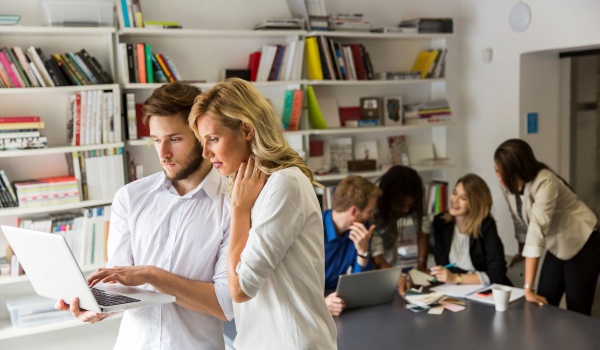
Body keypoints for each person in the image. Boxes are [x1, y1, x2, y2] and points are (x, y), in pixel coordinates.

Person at [56, 82, 234, 349]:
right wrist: (97, 305)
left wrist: (153, 276)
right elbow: (120, 283)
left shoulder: (233, 205)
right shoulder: (130, 197)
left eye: (174, 139)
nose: (163, 153)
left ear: (203, 135)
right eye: (156, 140)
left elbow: (225, 304)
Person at [189, 78, 336, 349]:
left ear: (246, 129)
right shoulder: (248, 188)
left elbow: (240, 289)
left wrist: (239, 210)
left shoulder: (284, 184)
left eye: (213, 139)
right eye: (203, 141)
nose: (206, 152)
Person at [494, 138, 600, 315]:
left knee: (577, 311)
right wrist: (522, 251)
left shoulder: (545, 183)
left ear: (517, 169)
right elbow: (518, 218)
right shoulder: (508, 185)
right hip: (557, 244)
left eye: (502, 172)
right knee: (544, 299)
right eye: (496, 171)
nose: (498, 177)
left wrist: (527, 288)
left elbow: (536, 232)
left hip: (583, 241)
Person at [429, 173, 512, 286]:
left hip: (487, 290)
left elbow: (497, 272)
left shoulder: (486, 226)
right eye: (454, 193)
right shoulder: (441, 223)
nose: (455, 200)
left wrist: (456, 278)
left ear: (475, 203)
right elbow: (442, 265)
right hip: (454, 290)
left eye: (463, 198)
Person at [323, 175, 381, 316]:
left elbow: (361, 286)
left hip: (339, 303)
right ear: (353, 211)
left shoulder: (361, 229)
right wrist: (321, 304)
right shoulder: (310, 230)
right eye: (369, 211)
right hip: (310, 307)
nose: (371, 215)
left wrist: (363, 252)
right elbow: (290, 284)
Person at [371, 165, 431, 271]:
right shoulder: (373, 199)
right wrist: (395, 277)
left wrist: (421, 265)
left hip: (390, 240)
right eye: (401, 205)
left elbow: (423, 226)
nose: (406, 211)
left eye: (410, 206)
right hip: (368, 244)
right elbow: (376, 252)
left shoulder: (415, 191)